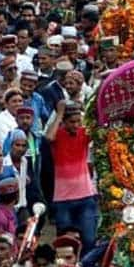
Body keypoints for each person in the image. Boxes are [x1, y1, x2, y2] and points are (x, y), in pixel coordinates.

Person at [44, 101, 97, 252]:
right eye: (72, 122)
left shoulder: (83, 133)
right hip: (63, 200)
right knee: (64, 242)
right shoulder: (58, 135)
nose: (76, 125)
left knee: (89, 240)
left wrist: (86, 109)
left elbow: (98, 127)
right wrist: (59, 113)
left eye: (78, 122)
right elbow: (48, 137)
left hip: (86, 196)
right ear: (64, 122)